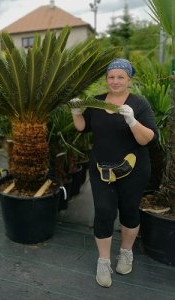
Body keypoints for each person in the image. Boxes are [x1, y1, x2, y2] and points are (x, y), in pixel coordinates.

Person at [71, 58, 158, 288]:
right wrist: (77, 112)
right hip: (102, 170)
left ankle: (126, 253)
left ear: (129, 79)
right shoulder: (98, 102)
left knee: (129, 211)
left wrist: (131, 120)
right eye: (111, 77)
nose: (115, 81)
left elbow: (148, 139)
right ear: (106, 79)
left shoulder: (139, 105)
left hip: (133, 170)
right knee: (103, 212)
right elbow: (82, 127)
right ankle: (103, 261)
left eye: (121, 77)